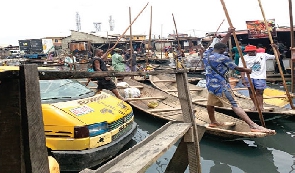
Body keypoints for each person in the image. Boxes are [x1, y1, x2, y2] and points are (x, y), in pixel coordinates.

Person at [202, 27, 275, 134]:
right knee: (234, 105)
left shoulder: (206, 54)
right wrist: (247, 70)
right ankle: (253, 125)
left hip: (210, 85)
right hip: (221, 86)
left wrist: (229, 33)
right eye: (225, 49)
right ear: (222, 49)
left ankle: (213, 121)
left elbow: (220, 44)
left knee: (210, 104)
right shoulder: (223, 58)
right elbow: (236, 68)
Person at [239, 45, 275, 111]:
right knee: (251, 92)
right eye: (248, 52)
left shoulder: (263, 55)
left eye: (252, 51)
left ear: (255, 51)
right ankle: (255, 106)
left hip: (260, 77)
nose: (250, 53)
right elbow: (242, 69)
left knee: (260, 92)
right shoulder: (243, 58)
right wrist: (243, 79)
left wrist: (276, 49)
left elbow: (276, 57)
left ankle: (260, 106)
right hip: (249, 77)